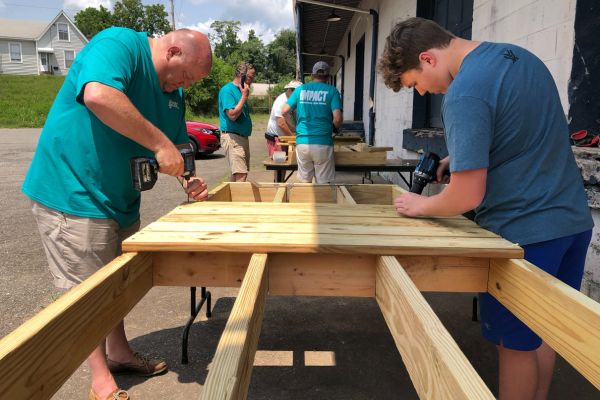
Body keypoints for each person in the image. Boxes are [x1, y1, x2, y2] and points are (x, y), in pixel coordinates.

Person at [377, 17, 593, 400]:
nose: (424, 94)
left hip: (526, 234)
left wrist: (420, 204)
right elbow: (520, 137)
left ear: (427, 58)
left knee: (514, 346)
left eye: (415, 84)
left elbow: (466, 198)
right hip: (572, 222)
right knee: (545, 331)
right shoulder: (520, 58)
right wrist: (455, 160)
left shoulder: (465, 94)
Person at [22, 27, 212, 400]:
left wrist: (189, 178)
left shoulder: (173, 95)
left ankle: (119, 352)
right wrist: (158, 144)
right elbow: (98, 94)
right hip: (73, 192)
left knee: (115, 285)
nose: (183, 85)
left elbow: (176, 146)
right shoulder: (119, 44)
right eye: (185, 76)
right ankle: (100, 380)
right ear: (172, 52)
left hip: (120, 198)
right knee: (85, 293)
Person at [282, 62, 342, 183]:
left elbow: (284, 111)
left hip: (303, 143)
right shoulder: (332, 91)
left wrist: (295, 128)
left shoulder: (300, 90)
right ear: (328, 77)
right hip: (323, 143)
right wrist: (334, 128)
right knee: (324, 185)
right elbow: (337, 119)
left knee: (305, 184)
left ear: (312, 75)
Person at [219, 62, 255, 182]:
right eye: (250, 77)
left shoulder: (241, 91)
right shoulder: (227, 90)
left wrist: (243, 95)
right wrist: (244, 97)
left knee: (237, 175)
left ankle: (225, 199)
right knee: (241, 175)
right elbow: (232, 115)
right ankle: (239, 201)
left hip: (242, 137)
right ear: (241, 75)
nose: (252, 80)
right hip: (232, 137)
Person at [265, 79, 302, 157]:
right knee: (279, 165)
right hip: (276, 138)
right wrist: (293, 138)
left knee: (286, 163)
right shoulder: (282, 101)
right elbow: (281, 123)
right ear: (292, 90)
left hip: (285, 137)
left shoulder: (292, 100)